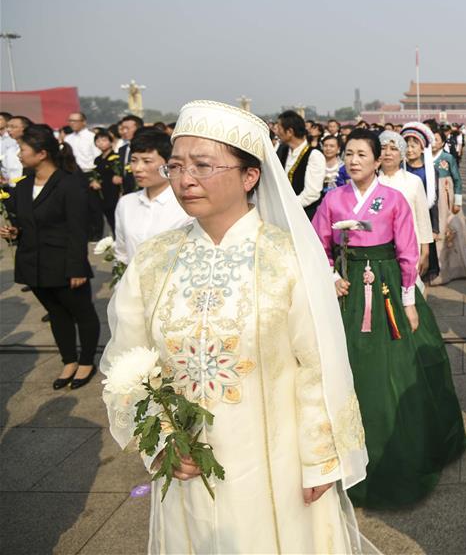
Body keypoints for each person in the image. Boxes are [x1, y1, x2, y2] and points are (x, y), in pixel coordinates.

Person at [100, 100, 372, 553]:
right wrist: (160, 439)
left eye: (202, 165)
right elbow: (128, 361)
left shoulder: (288, 259)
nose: (185, 180)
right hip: (187, 463)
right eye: (176, 165)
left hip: (278, 463)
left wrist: (320, 459)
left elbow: (316, 363)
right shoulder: (153, 261)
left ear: (250, 176)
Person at [312, 129, 466, 509]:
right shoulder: (333, 199)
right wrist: (332, 276)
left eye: (362, 154)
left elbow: (407, 251)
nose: (353, 160)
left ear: (377, 159)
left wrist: (408, 300)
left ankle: (401, 450)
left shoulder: (394, 199)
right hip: (350, 288)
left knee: (397, 365)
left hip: (387, 288)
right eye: (348, 154)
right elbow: (318, 243)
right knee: (351, 367)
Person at [0, 124, 101, 390]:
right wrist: (14, 232)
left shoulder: (69, 184)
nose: (19, 154)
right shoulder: (22, 187)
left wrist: (77, 267)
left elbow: (78, 230)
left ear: (42, 153)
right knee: (56, 313)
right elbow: (27, 223)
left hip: (65, 264)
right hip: (33, 264)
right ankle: (69, 360)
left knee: (82, 313)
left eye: (23, 149)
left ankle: (87, 361)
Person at [113, 127, 193, 265]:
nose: (138, 168)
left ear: (169, 165)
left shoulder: (186, 205)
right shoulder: (126, 203)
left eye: (147, 161)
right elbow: (122, 253)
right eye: (134, 160)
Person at [376, 130, 433, 278]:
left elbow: (423, 219)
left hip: (410, 246)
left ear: (402, 154)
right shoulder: (370, 182)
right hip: (377, 248)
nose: (388, 153)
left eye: (394, 149)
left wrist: (425, 250)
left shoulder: (413, 181)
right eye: (383, 148)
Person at [429, 129, 466, 285]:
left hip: (446, 198)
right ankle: (435, 269)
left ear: (442, 142)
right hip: (431, 198)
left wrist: (458, 201)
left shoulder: (447, 158)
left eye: (436, 139)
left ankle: (452, 269)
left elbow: (458, 180)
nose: (433, 142)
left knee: (451, 232)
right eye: (431, 139)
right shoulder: (424, 158)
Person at [401, 122, 439, 283]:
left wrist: (435, 228)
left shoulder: (430, 172)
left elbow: (434, 200)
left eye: (414, 145)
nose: (409, 149)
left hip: (424, 218)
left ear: (422, 148)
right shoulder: (400, 170)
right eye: (407, 145)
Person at [275, 110, 326, 219]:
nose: (277, 132)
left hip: (305, 216)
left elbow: (311, 194)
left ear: (289, 131)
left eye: (279, 128)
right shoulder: (283, 152)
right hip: (286, 214)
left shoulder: (314, 155)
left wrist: (287, 206)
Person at [90, 128, 122, 234]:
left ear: (110, 141)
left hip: (113, 191)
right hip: (101, 192)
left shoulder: (116, 157)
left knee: (116, 219)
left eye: (104, 140)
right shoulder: (97, 159)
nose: (101, 143)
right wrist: (93, 181)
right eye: (98, 141)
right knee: (108, 218)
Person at [116, 114, 143, 193]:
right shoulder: (122, 150)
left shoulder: (146, 149)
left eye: (127, 128)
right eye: (123, 128)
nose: (124, 131)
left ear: (138, 129)